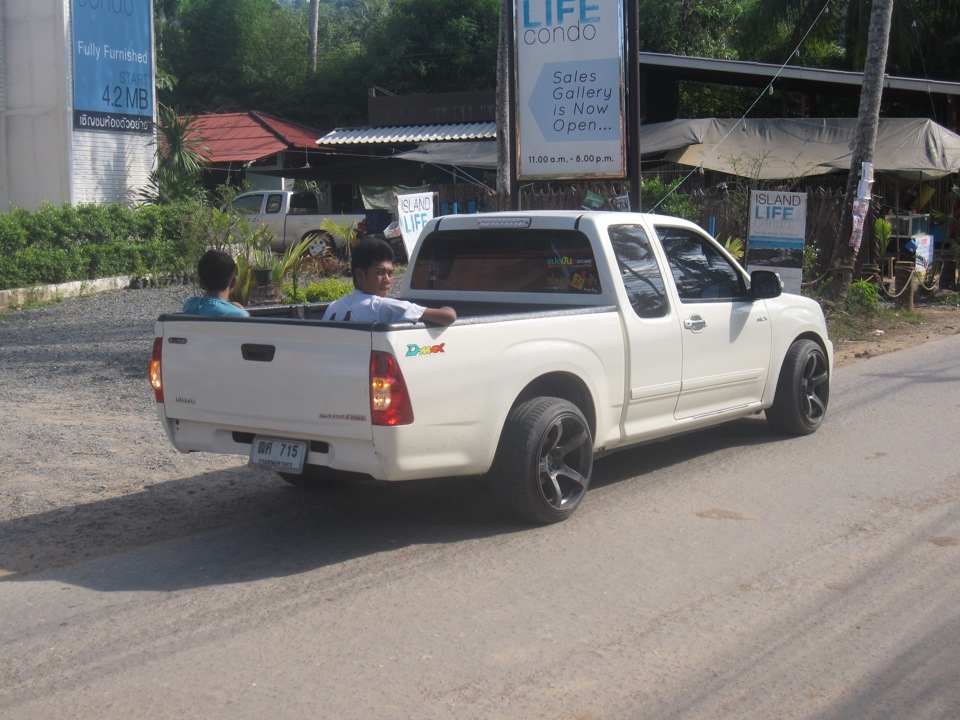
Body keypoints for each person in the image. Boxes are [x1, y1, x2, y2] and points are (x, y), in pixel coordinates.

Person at [322, 238, 456, 325]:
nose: (387, 280)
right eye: (380, 273)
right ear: (360, 274)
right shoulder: (380, 306)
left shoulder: (334, 307)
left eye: (391, 273)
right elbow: (448, 317)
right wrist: (447, 306)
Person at [181, 249, 250, 317]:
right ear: (233, 282)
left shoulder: (190, 305)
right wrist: (245, 313)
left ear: (201, 284)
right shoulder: (238, 314)